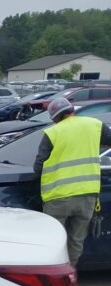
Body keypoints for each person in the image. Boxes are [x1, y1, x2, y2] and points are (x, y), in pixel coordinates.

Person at [33, 96, 111, 266]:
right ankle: (70, 271)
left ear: (54, 117)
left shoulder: (53, 132)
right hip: (88, 196)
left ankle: (53, 274)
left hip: (58, 197)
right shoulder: (95, 125)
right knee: (76, 240)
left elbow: (39, 166)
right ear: (72, 110)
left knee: (53, 239)